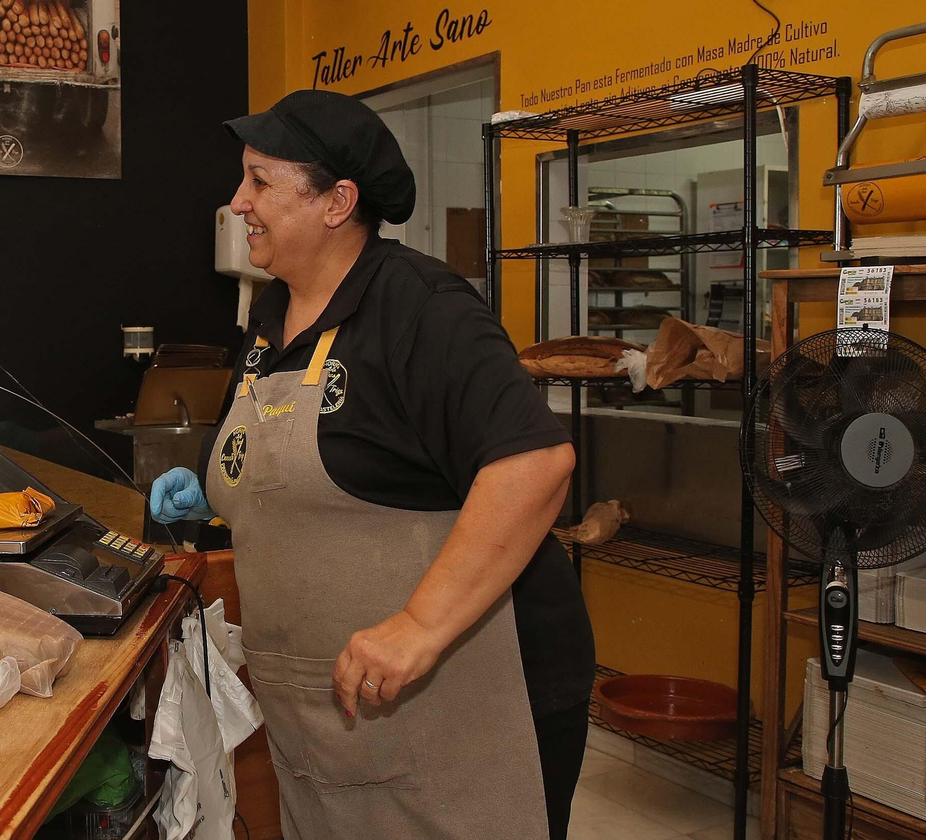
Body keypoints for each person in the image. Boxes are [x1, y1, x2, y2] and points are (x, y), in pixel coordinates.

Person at [149, 90, 594, 840]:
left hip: (468, 705)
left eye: (259, 180)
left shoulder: (422, 308)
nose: (238, 201)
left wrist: (421, 623)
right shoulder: (269, 318)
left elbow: (536, 462)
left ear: (337, 202)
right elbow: (277, 458)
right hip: (323, 719)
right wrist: (211, 491)